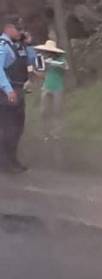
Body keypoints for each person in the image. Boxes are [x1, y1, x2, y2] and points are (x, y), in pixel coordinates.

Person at [0, 18, 38, 173]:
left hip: (20, 89)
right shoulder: (3, 46)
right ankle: (5, 161)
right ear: (8, 28)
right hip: (6, 92)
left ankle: (12, 158)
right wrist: (8, 90)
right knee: (9, 128)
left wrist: (28, 45)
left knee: (18, 128)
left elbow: (32, 60)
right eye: (18, 29)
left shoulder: (19, 46)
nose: (21, 32)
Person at [34, 39, 68, 140]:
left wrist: (52, 62)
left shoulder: (61, 59)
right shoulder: (44, 61)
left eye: (48, 51)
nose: (46, 53)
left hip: (57, 87)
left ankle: (57, 132)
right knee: (44, 111)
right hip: (46, 86)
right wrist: (34, 72)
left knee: (57, 110)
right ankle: (46, 132)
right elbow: (43, 74)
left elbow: (65, 67)